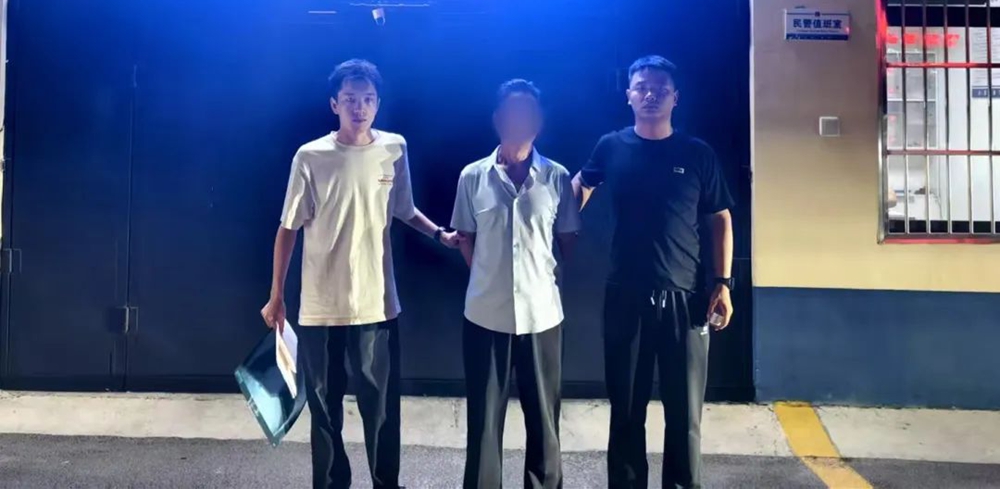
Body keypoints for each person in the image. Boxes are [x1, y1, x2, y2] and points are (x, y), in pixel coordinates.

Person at [261, 59, 458, 489]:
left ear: (378, 104)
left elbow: (405, 209)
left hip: (376, 302)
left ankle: (387, 483)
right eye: (350, 99)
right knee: (324, 407)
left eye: (368, 99)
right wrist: (277, 295)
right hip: (321, 305)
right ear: (334, 103)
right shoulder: (311, 156)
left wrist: (440, 234)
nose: (359, 107)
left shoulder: (394, 149)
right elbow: (288, 228)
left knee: (382, 406)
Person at [572, 56, 734, 489]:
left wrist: (722, 284)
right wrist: (560, 216)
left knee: (685, 415)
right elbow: (581, 187)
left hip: (686, 298)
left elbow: (720, 218)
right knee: (626, 410)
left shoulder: (696, 154)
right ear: (628, 94)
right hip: (625, 296)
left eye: (660, 89)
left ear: (675, 98)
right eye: (642, 87)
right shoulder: (611, 146)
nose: (650, 95)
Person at [451, 79, 581, 489]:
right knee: (484, 421)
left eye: (527, 113)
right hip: (484, 315)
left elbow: (567, 240)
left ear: (539, 122)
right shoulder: (473, 176)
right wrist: (488, 276)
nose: (519, 120)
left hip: (542, 316)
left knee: (544, 419)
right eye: (511, 112)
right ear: (497, 119)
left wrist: (538, 277)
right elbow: (465, 238)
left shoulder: (557, 177)